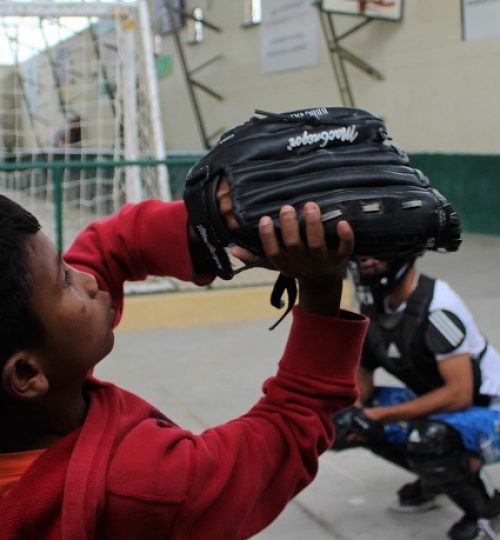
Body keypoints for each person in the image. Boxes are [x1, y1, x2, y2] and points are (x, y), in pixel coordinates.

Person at [0, 185, 368, 540]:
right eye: (65, 279)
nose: (89, 280)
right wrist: (321, 290)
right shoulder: (145, 489)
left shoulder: (34, 398)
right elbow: (285, 431)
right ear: (26, 373)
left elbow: (111, 247)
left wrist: (208, 220)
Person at [331, 254, 500, 540]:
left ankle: (486, 511)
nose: (367, 262)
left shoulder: (437, 307)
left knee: (430, 439)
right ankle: (439, 479)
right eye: (361, 254)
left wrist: (377, 416)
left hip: (488, 410)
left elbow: (459, 395)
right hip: (443, 404)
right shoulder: (374, 305)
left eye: (379, 253)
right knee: (339, 421)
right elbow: (361, 379)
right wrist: (354, 413)